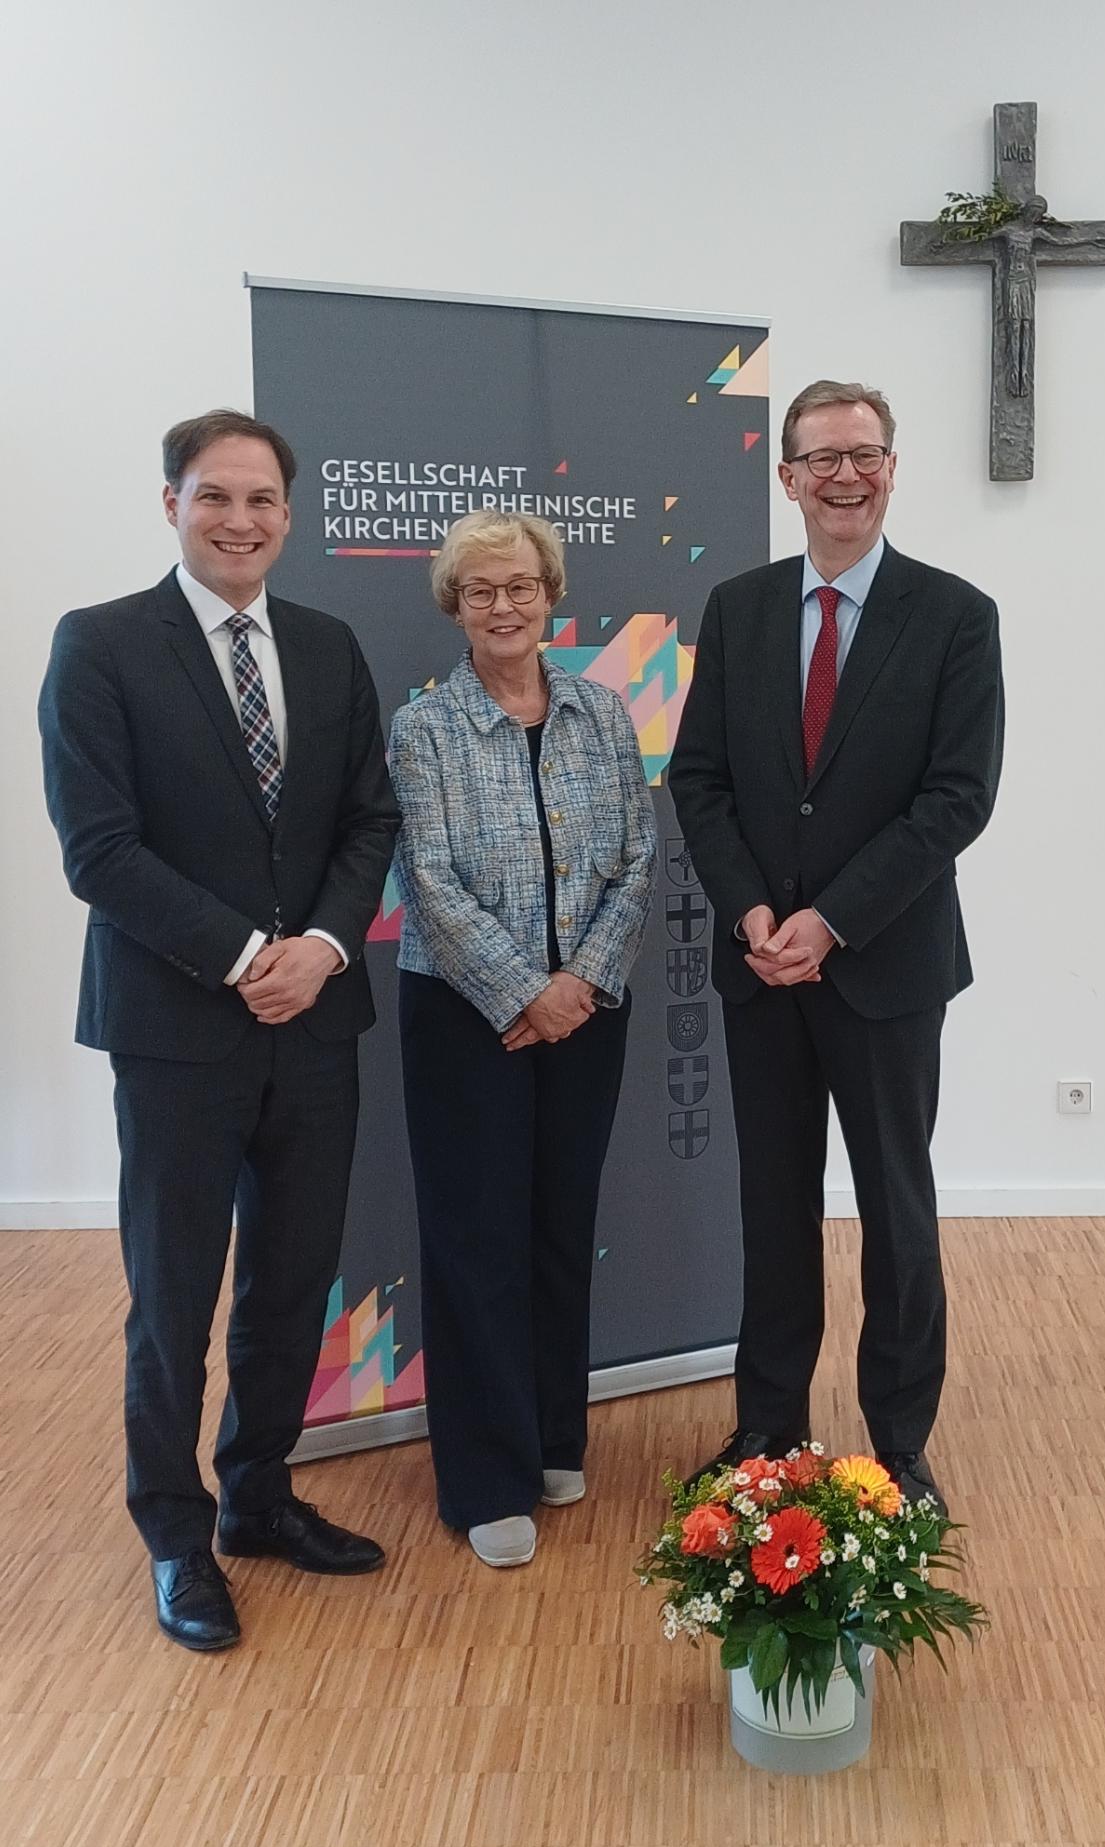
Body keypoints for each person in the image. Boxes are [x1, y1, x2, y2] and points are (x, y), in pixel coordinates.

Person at [39, 410, 401, 1651]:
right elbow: (100, 851)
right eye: (214, 496)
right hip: (177, 1031)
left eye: (261, 500)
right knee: (174, 1296)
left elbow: (370, 819)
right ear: (171, 503)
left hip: (317, 1020)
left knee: (293, 1280)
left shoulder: (329, 645)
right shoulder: (100, 645)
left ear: (288, 515)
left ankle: (258, 1493)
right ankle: (175, 1534)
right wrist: (250, 957)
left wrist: (324, 947)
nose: (239, 520)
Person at [668, 380, 1005, 1514]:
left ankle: (898, 1446)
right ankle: (767, 1428)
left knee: (897, 1212)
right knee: (773, 1210)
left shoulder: (956, 616)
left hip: (886, 969)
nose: (844, 475)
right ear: (788, 477)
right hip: (761, 968)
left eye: (864, 454)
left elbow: (956, 799)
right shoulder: (739, 608)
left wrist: (833, 919)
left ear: (892, 469)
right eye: (822, 458)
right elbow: (701, 780)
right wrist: (752, 913)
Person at [389, 513, 655, 1569]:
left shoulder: (603, 712)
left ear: (552, 595)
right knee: (477, 1242)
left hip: (588, 1010)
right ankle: (485, 1477)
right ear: (454, 605)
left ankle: (552, 1436)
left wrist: (578, 983)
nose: (504, 606)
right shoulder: (425, 728)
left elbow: (637, 856)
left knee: (558, 1227)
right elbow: (428, 877)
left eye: (522, 586)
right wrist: (521, 992)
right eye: (481, 590)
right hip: (467, 1017)